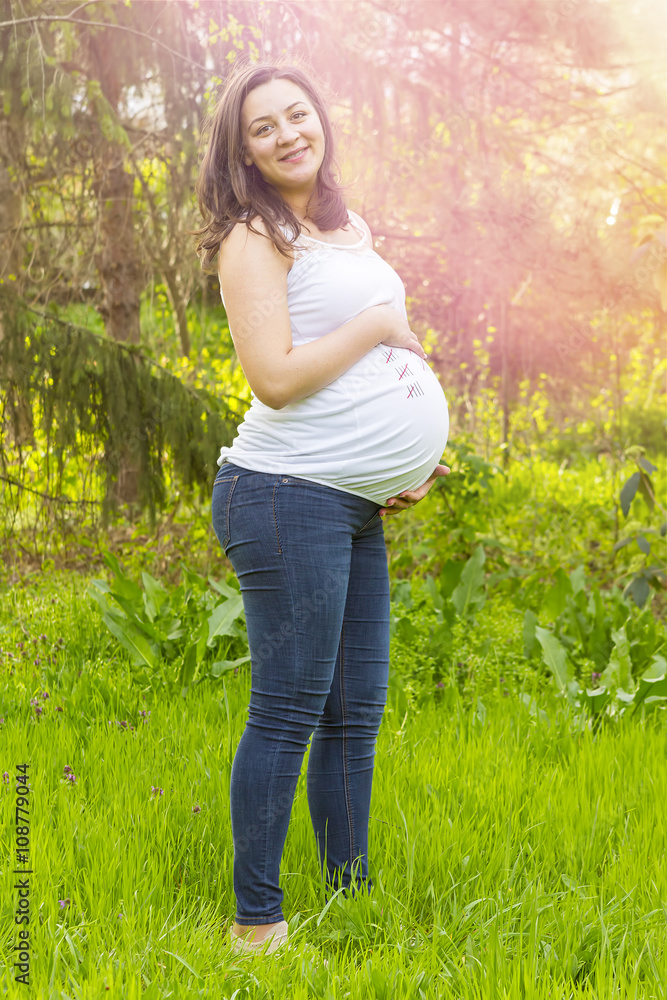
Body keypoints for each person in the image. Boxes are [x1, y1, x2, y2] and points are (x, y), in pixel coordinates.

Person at [194, 58, 449, 956]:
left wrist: (406, 458)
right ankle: (254, 924)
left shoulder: (346, 230)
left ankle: (351, 900)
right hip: (281, 495)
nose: (287, 134)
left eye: (297, 114)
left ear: (321, 121)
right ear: (244, 153)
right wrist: (377, 326)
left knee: (353, 715)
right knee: (288, 711)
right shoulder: (252, 238)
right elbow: (272, 378)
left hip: (350, 500)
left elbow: (365, 375)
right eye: (262, 127)